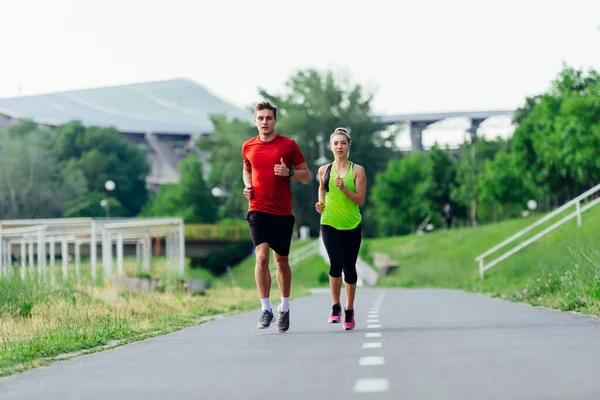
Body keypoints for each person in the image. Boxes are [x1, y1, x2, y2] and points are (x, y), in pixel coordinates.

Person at [242, 101, 310, 333]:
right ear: (255, 121)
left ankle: (285, 308)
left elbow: (306, 175)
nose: (264, 122)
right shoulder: (248, 146)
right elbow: (247, 168)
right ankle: (265, 309)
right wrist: (247, 186)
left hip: (282, 212)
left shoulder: (288, 145)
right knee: (261, 257)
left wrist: (289, 172)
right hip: (257, 209)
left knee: (281, 262)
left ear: (275, 121)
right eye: (260, 118)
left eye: (268, 118)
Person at [315, 127, 366, 330]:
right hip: (329, 223)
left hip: (352, 224)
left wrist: (344, 188)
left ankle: (350, 309)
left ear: (348, 146)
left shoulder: (357, 170)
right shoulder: (323, 170)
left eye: (343, 143)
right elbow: (322, 188)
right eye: (335, 143)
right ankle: (335, 305)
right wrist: (320, 203)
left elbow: (360, 200)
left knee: (349, 267)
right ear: (330, 146)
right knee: (335, 264)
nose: (339, 146)